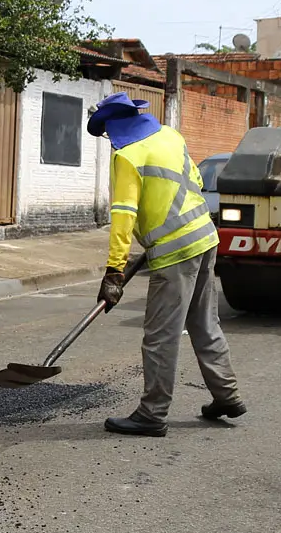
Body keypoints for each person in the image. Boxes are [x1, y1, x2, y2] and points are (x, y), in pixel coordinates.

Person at [86, 92, 244, 437]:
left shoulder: (128, 156)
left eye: (107, 132)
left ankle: (152, 414)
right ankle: (227, 396)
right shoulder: (171, 136)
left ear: (115, 126)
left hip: (176, 252)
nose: (109, 140)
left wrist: (115, 270)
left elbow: (124, 214)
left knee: (160, 336)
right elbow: (195, 184)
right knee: (205, 324)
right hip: (205, 236)